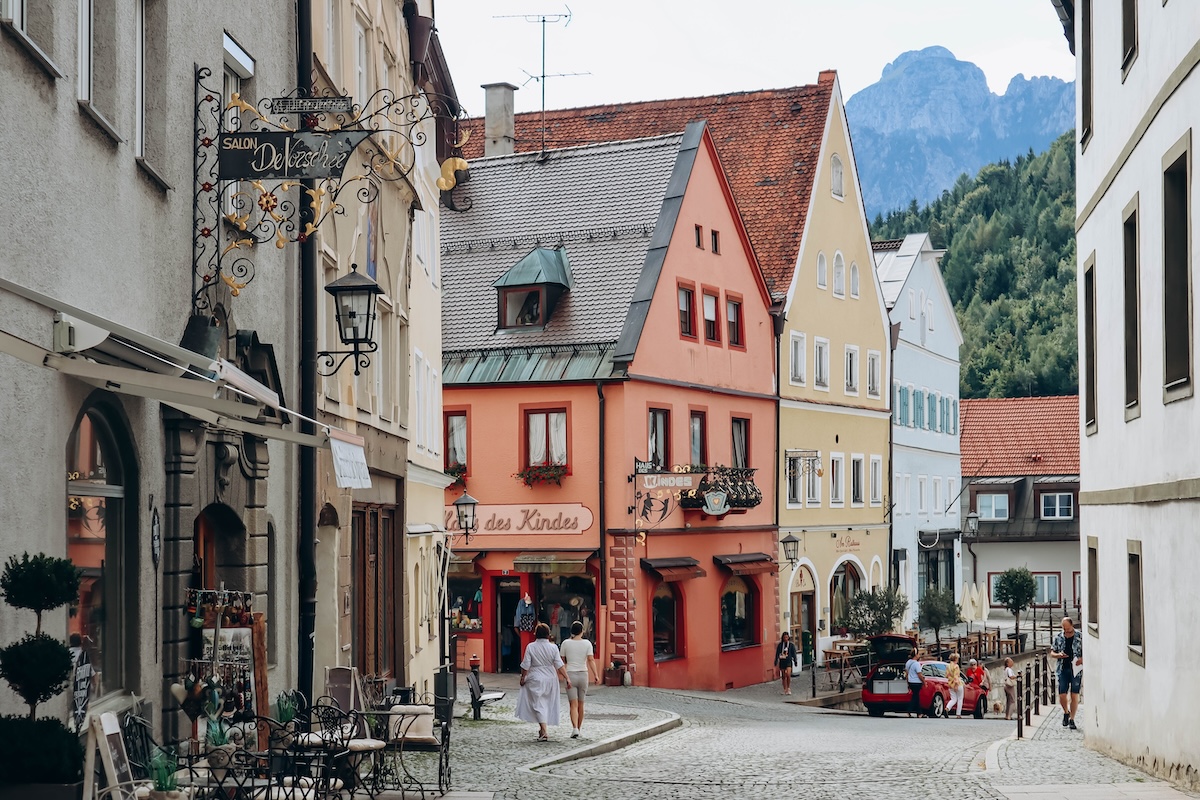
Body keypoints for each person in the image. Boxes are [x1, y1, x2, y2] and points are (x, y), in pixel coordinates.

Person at [516, 623, 571, 741]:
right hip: (550, 677)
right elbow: (559, 664)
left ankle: (543, 730)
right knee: (545, 703)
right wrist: (567, 678)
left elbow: (526, 665)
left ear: (536, 634)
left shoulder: (531, 647)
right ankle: (543, 729)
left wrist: (522, 678)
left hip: (535, 676)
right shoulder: (553, 647)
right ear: (548, 634)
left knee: (537, 704)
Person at [560, 620, 600, 738]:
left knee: (573, 704)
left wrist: (562, 674)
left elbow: (561, 661)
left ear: (571, 631)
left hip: (570, 674)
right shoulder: (587, 644)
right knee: (581, 704)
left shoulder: (565, 643)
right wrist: (596, 675)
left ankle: (575, 728)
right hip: (583, 674)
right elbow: (591, 660)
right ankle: (579, 728)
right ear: (582, 631)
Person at [1050, 616, 1083, 729]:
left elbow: (1087, 651)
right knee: (1062, 694)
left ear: (1072, 626)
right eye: (1064, 628)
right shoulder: (1058, 637)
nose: (1066, 631)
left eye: (1068, 628)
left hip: (1076, 669)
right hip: (1062, 668)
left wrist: (1081, 659)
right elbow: (1052, 652)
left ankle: (1072, 719)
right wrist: (1058, 655)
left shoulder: (1080, 636)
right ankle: (1066, 712)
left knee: (1074, 694)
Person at [904, 648, 925, 718]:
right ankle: (910, 711)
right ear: (916, 655)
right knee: (915, 697)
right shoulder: (916, 664)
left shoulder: (908, 663)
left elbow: (906, 674)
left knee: (915, 697)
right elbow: (919, 674)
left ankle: (919, 713)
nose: (919, 656)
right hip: (917, 682)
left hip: (910, 682)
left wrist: (907, 683)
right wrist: (924, 682)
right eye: (918, 654)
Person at [945, 652, 965, 719]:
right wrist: (956, 684)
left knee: (953, 699)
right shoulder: (956, 666)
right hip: (957, 683)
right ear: (956, 659)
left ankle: (947, 708)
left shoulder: (948, 666)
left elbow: (946, 675)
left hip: (950, 683)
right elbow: (956, 676)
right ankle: (958, 714)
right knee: (960, 699)